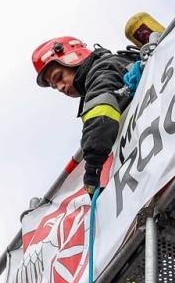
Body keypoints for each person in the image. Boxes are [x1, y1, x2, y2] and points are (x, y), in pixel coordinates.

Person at [31, 36, 139, 191]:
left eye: (59, 77)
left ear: (73, 58)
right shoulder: (97, 79)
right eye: (55, 87)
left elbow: (101, 113)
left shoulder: (103, 68)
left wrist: (92, 168)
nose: (60, 87)